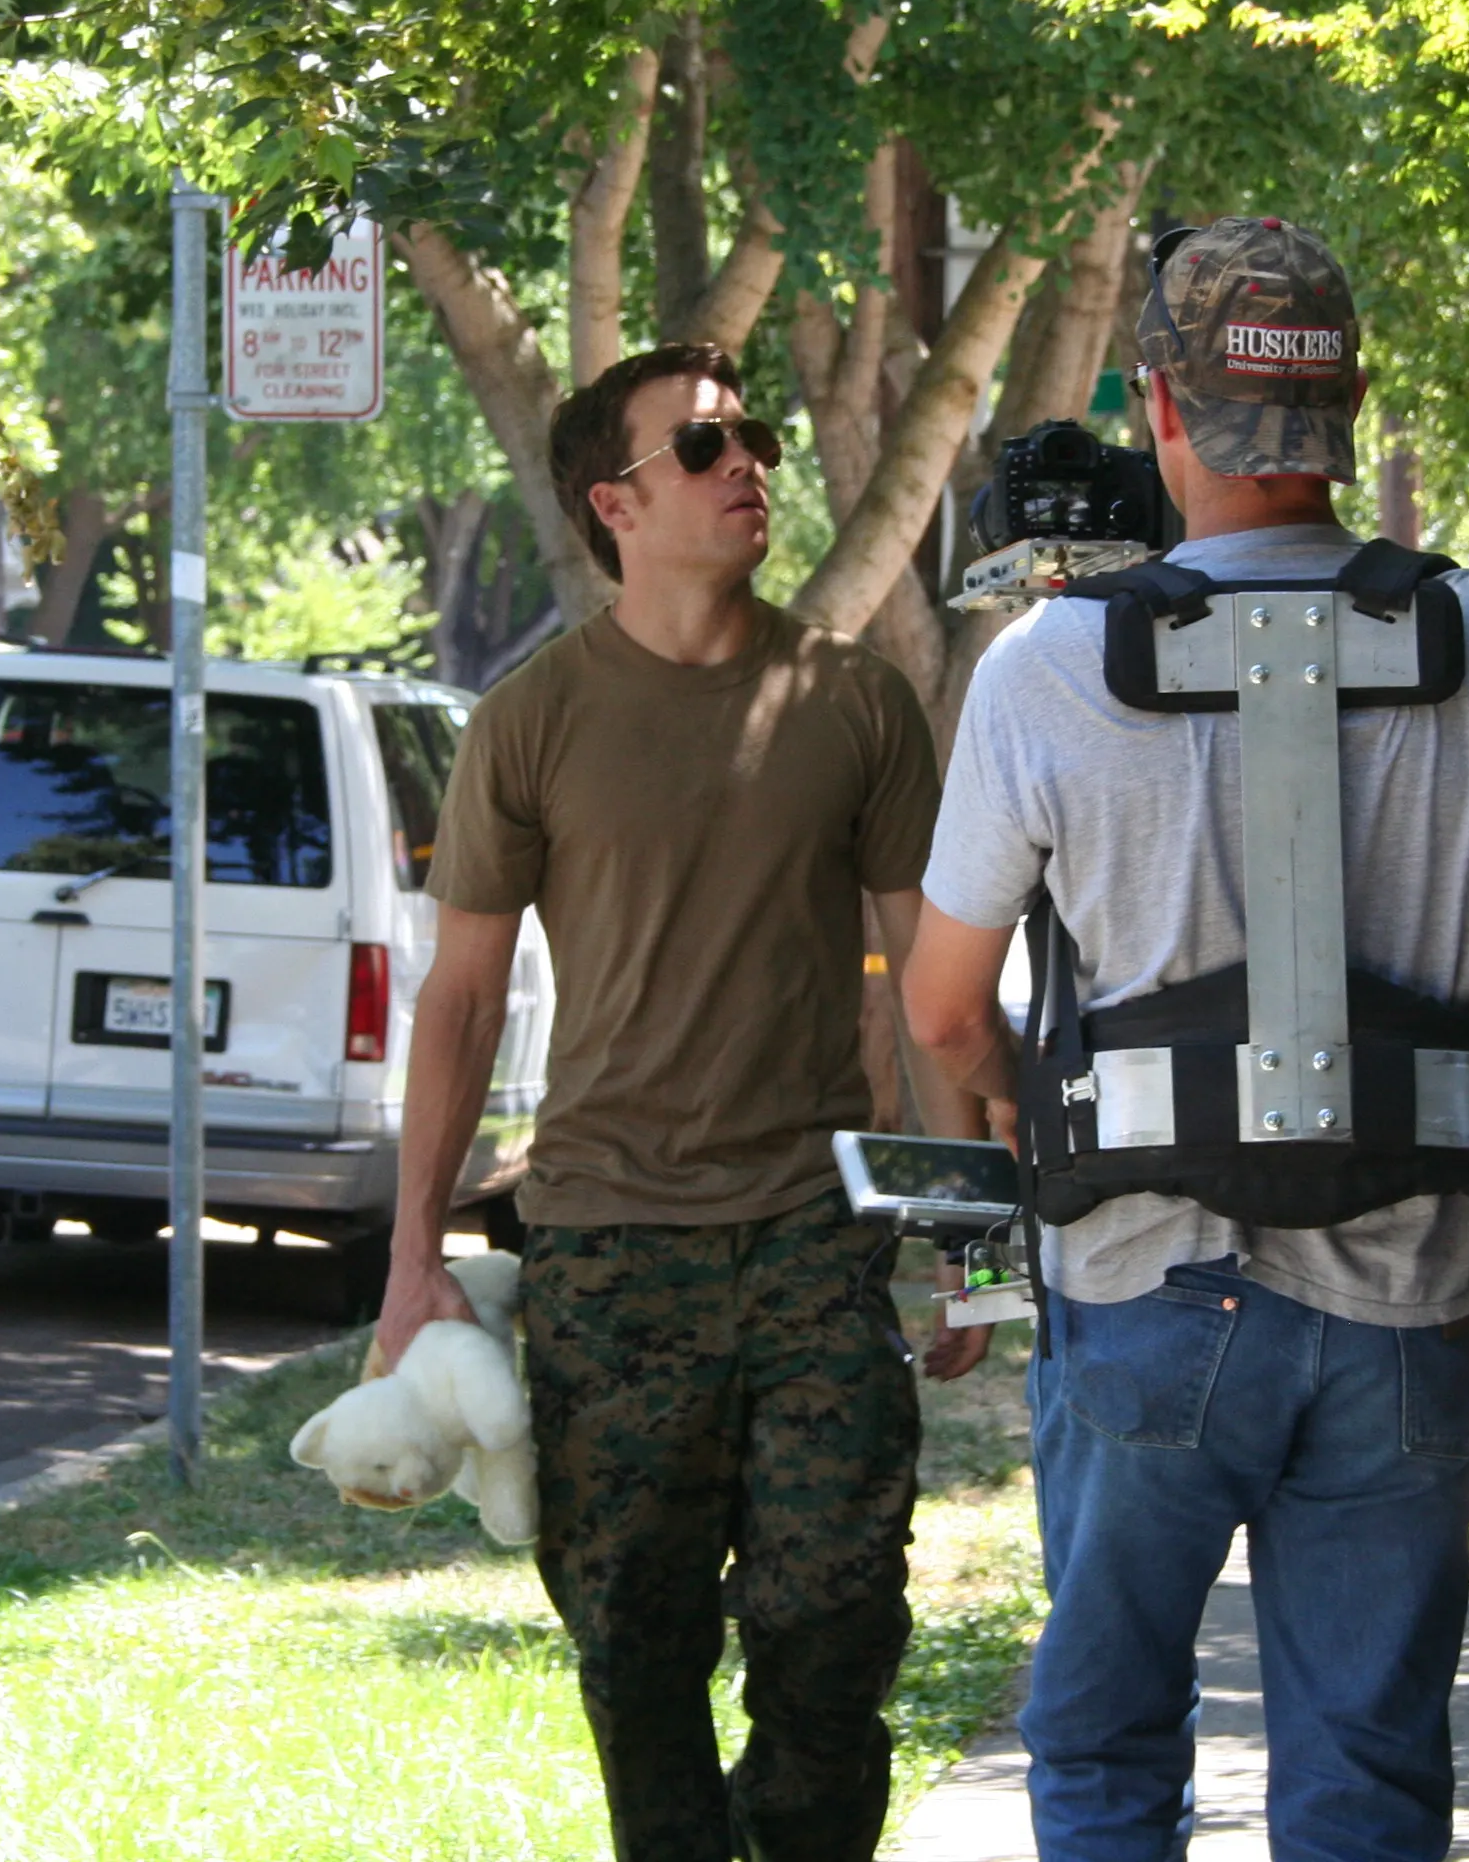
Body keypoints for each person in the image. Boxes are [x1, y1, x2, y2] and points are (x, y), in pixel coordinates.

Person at [899, 217, 1469, 1862]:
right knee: (1365, 1767)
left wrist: (1022, 1103)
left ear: (1163, 410)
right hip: (1412, 1301)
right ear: (1353, 403)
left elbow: (946, 1007)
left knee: (1103, 1743)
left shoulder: (1051, 666)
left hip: (1146, 1294)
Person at [376, 341, 981, 1862]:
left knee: (835, 1628)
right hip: (607, 1251)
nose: (749, 471)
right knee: (633, 1651)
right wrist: (409, 1267)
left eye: (755, 445)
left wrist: (970, 1238)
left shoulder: (856, 702)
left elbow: (938, 995)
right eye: (707, 449)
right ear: (614, 503)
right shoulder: (531, 718)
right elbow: (454, 1001)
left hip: (810, 1243)